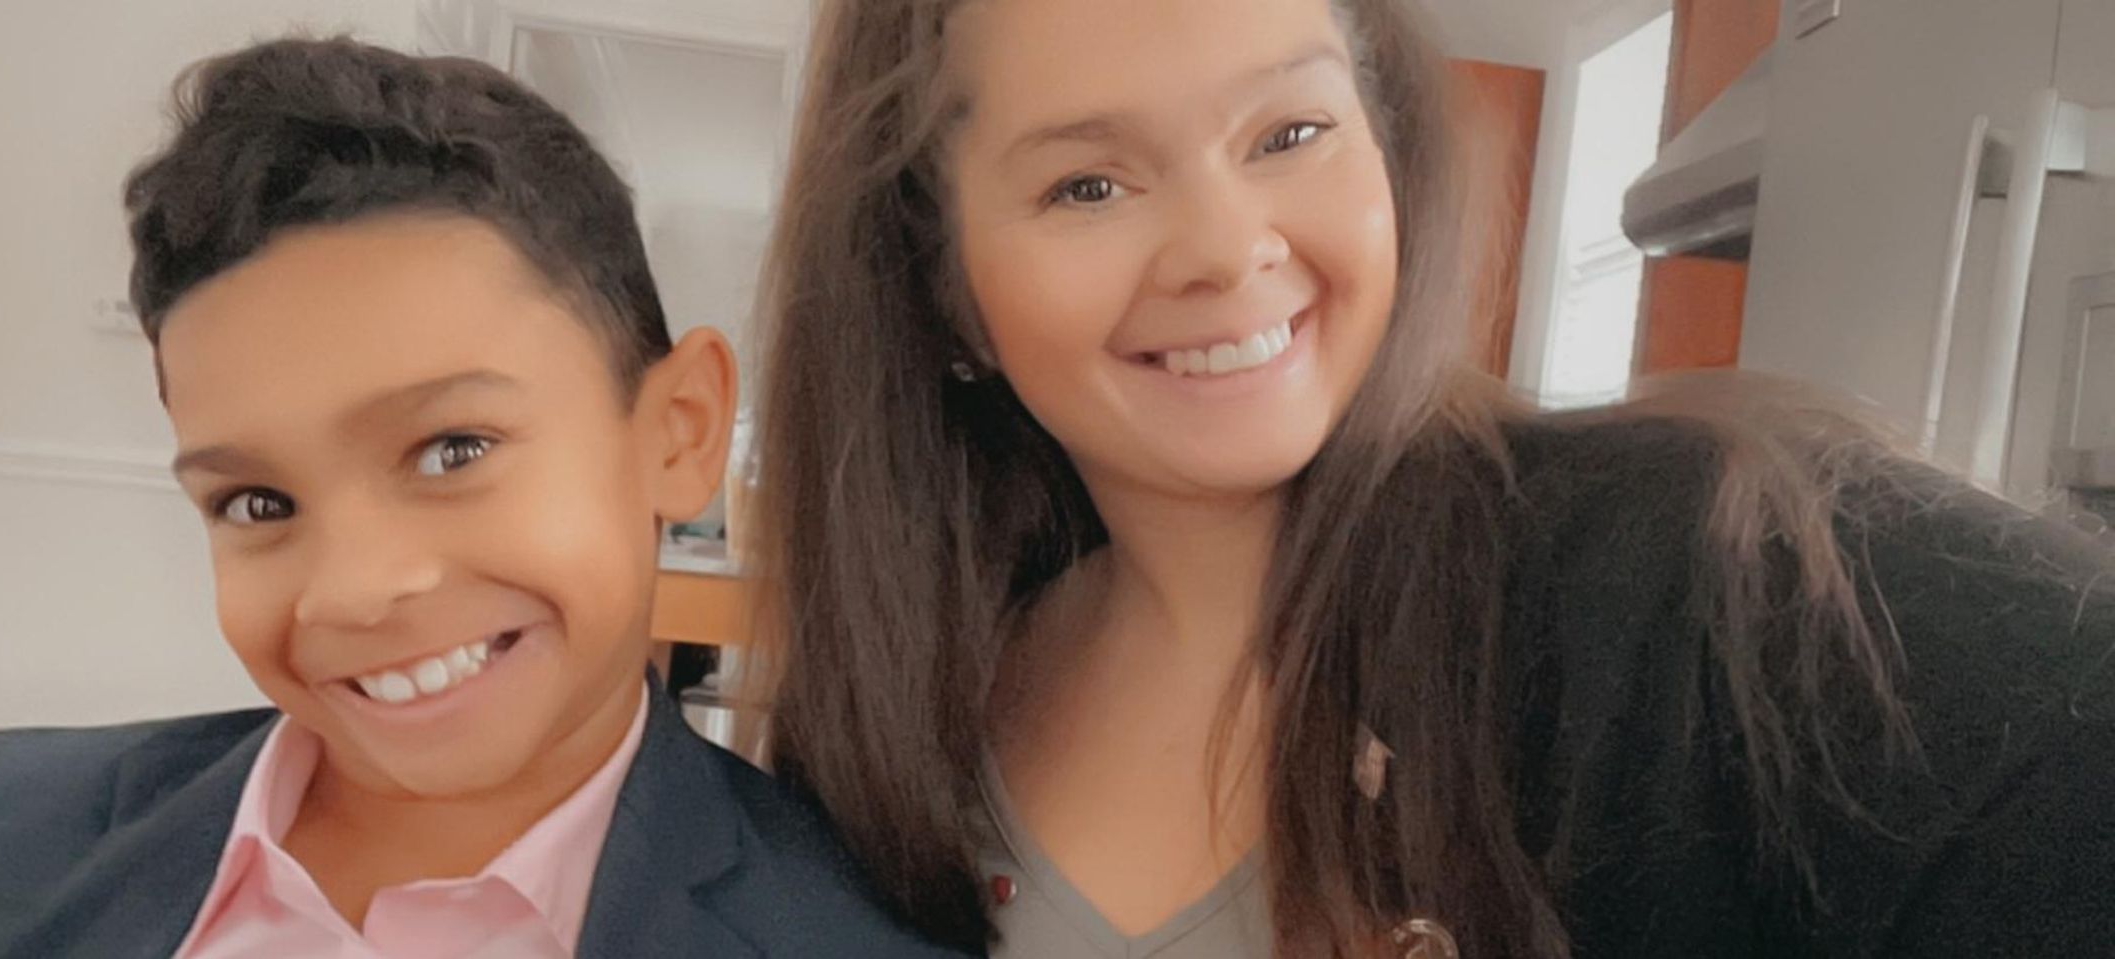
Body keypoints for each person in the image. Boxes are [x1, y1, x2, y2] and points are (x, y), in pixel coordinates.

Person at [750, 0, 2115, 955]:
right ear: (945, 293)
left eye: (1288, 134)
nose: (1227, 250)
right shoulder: (906, 716)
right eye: (1087, 187)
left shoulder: (1707, 576)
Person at [0, 37, 963, 959]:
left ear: (679, 430)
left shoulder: (855, 935)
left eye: (453, 449)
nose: (356, 588)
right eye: (257, 503)